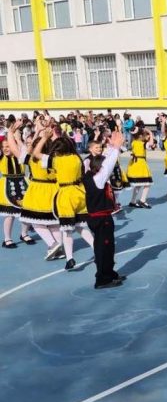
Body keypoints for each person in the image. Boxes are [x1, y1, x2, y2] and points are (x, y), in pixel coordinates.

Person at [32, 129, 95, 270]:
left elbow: (36, 153)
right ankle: (96, 248)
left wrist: (44, 138)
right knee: (81, 226)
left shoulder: (56, 160)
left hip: (65, 194)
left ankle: (69, 258)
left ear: (57, 150)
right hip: (79, 193)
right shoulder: (76, 158)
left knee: (67, 230)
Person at [6, 120, 63, 260]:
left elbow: (14, 149)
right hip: (55, 190)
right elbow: (59, 140)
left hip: (38, 191)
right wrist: (48, 132)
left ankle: (53, 244)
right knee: (54, 222)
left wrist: (10, 133)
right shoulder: (55, 158)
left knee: (35, 221)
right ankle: (60, 248)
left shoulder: (33, 159)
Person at [83, 131, 127, 289]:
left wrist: (112, 147)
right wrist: (116, 148)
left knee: (107, 247)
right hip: (101, 219)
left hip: (99, 218)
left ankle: (109, 273)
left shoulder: (90, 175)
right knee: (104, 248)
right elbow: (107, 166)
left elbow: (105, 163)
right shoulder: (98, 180)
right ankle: (102, 278)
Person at [0, 123, 33, 248]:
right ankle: (7, 238)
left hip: (23, 183)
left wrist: (17, 138)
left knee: (27, 212)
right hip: (7, 186)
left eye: (8, 146)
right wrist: (10, 131)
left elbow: (24, 148)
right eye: (3, 147)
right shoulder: (1, 157)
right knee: (10, 215)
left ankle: (24, 234)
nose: (6, 149)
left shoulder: (20, 155)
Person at [126, 128, 155, 209]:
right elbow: (151, 143)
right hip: (141, 164)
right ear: (140, 136)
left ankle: (133, 201)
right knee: (147, 183)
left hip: (134, 164)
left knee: (138, 184)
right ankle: (142, 200)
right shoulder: (143, 143)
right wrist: (151, 133)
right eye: (144, 135)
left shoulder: (133, 142)